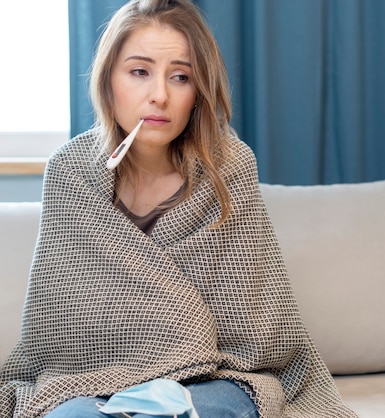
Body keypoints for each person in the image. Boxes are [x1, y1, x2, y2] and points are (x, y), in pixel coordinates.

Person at [0, 0, 356, 417]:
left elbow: (256, 324)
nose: (160, 96)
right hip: (89, 383)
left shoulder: (229, 168)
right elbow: (55, 323)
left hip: (214, 381)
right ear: (108, 81)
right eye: (139, 72)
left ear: (198, 92)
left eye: (181, 77)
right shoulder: (71, 170)